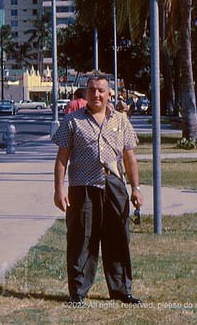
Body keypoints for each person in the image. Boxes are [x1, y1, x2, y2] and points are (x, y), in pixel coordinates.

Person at [52, 75, 143, 306]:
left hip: (114, 187)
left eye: (101, 90)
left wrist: (136, 188)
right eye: (92, 90)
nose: (96, 95)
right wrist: (59, 189)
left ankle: (122, 290)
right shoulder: (72, 121)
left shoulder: (121, 120)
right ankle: (78, 292)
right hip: (82, 188)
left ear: (109, 94)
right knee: (81, 240)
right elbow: (62, 158)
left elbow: (130, 157)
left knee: (118, 239)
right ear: (86, 93)